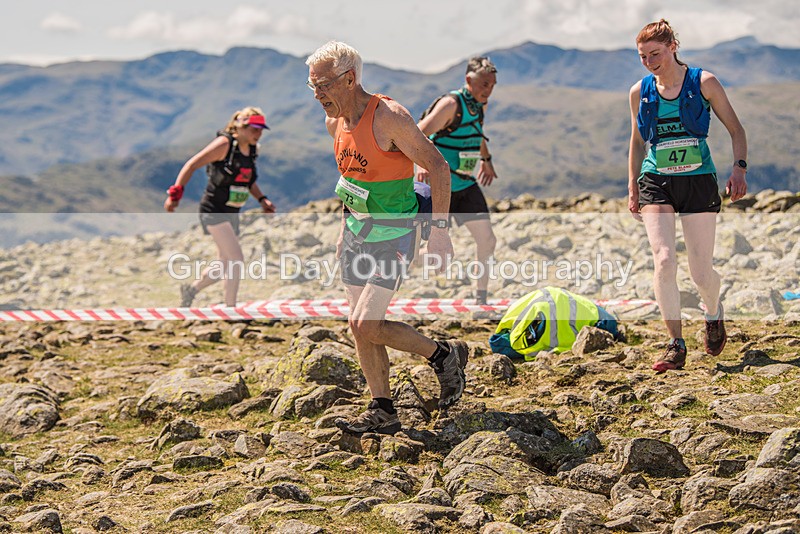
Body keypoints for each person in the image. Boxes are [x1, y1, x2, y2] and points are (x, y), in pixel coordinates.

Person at [305, 41, 469, 434]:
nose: (317, 95)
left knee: (367, 323)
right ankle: (383, 409)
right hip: (356, 233)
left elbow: (438, 167)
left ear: (349, 79)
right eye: (312, 86)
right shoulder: (334, 123)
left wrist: (440, 232)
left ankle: (442, 355)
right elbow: (352, 181)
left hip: (395, 234)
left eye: (324, 85)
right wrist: (343, 230)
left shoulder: (389, 117)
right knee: (358, 324)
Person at [627, 20, 747, 372]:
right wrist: (632, 184)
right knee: (664, 259)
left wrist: (739, 169)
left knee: (700, 272)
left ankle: (713, 312)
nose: (650, 62)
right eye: (643, 57)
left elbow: (736, 129)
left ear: (673, 47)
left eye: (656, 54)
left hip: (697, 181)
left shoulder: (704, 82)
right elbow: (637, 142)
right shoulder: (639, 91)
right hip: (656, 181)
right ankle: (675, 344)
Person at [164, 107, 276, 307]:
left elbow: (247, 180)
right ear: (240, 127)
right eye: (254, 129)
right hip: (214, 209)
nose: (258, 134)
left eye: (261, 130)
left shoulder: (252, 150)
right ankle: (230, 308)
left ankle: (192, 290)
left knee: (224, 263)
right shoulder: (224, 145)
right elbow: (192, 165)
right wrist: (175, 195)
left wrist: (262, 199)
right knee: (236, 258)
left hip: (232, 211)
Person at [416, 57, 498, 305]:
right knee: (436, 255)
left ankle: (481, 298)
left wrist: (486, 160)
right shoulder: (451, 105)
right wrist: (422, 164)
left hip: (465, 183)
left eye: (492, 85)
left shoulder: (479, 105)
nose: (488, 90)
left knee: (487, 240)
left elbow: (477, 133)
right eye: (484, 84)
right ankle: (404, 260)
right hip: (440, 187)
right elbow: (417, 134)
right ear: (468, 80)